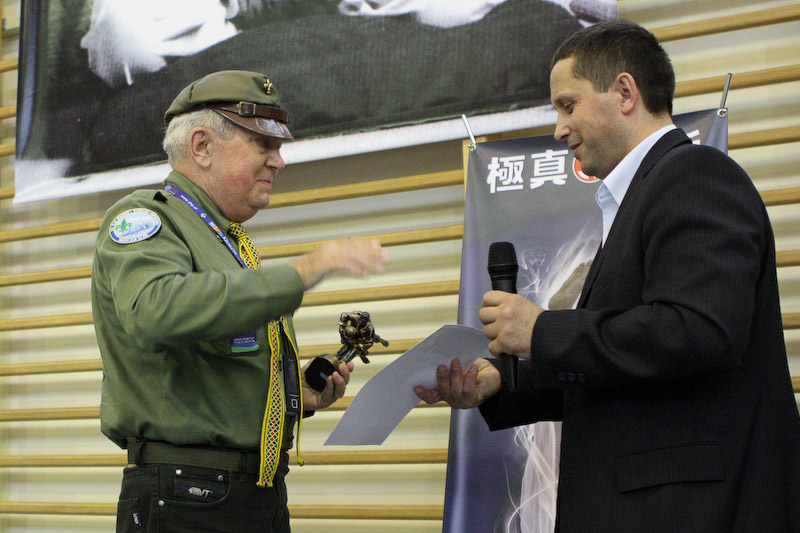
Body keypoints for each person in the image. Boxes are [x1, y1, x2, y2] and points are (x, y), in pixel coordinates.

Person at [415, 20, 800, 532]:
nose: (559, 129)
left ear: (624, 92)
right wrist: (502, 384)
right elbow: (621, 369)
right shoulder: (643, 195)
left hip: (690, 511)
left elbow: (697, 332)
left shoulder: (695, 174)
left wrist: (541, 331)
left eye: (567, 105)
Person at [91, 70, 389, 532]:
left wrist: (296, 394)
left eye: (279, 147)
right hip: (187, 497)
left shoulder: (223, 239)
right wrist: (305, 270)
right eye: (262, 144)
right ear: (202, 146)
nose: (279, 161)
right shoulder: (143, 218)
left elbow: (216, 366)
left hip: (250, 494)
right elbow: (156, 311)